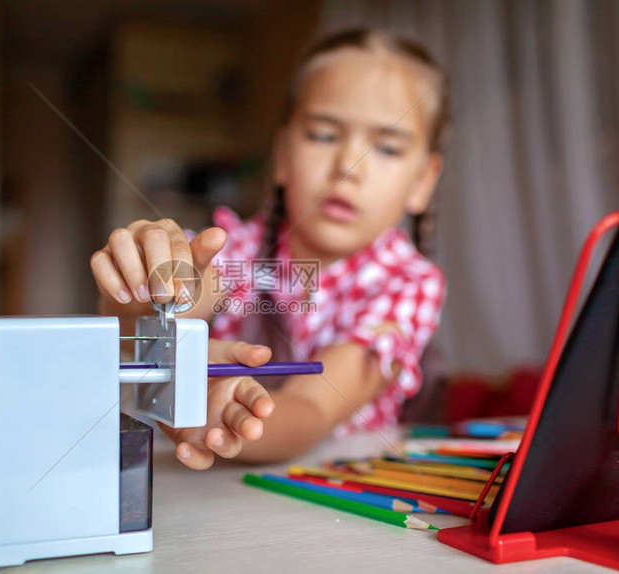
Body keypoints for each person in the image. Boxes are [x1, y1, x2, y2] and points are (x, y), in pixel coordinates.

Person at [91, 28, 450, 470]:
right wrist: (146, 283)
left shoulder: (408, 284)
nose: (348, 166)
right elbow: (172, 305)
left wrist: (230, 415)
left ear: (423, 181)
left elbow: (313, 408)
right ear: (281, 154)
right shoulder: (240, 252)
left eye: (388, 148)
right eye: (323, 135)